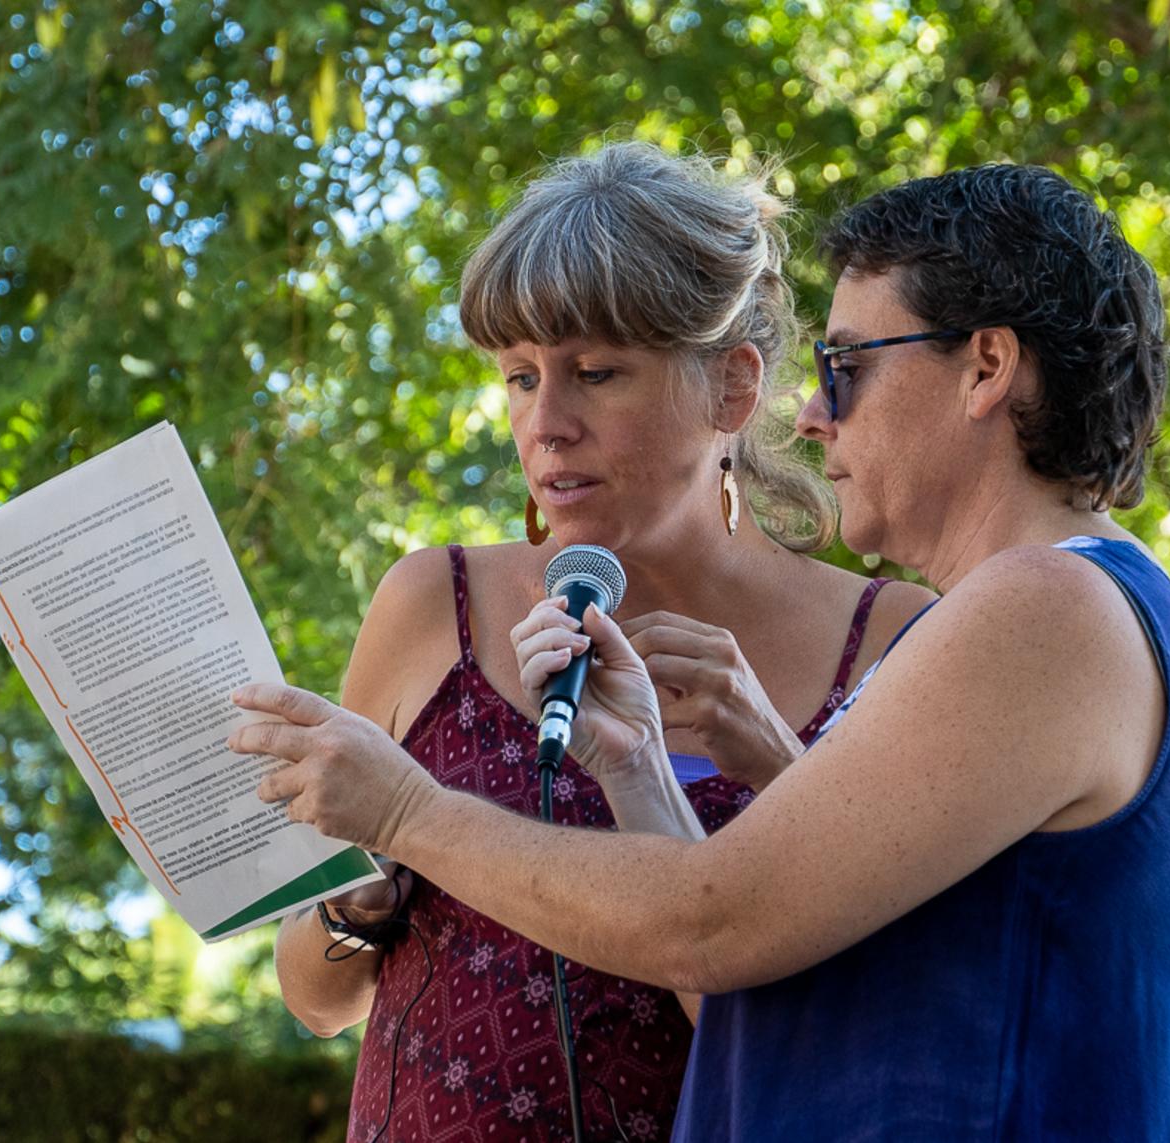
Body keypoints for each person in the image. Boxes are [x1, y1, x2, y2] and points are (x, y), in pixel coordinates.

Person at [237, 162, 1170, 1140]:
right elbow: (807, 980)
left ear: (985, 367)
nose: (812, 412)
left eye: (847, 366)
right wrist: (633, 766)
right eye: (519, 377)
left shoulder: (1044, 602)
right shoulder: (1053, 603)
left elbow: (714, 925)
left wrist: (407, 811)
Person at [268, 141, 935, 1141]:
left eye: (593, 373)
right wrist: (357, 906)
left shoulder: (896, 645)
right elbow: (312, 997)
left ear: (731, 389)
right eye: (516, 378)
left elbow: (856, 1037)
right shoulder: (427, 603)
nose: (545, 425)